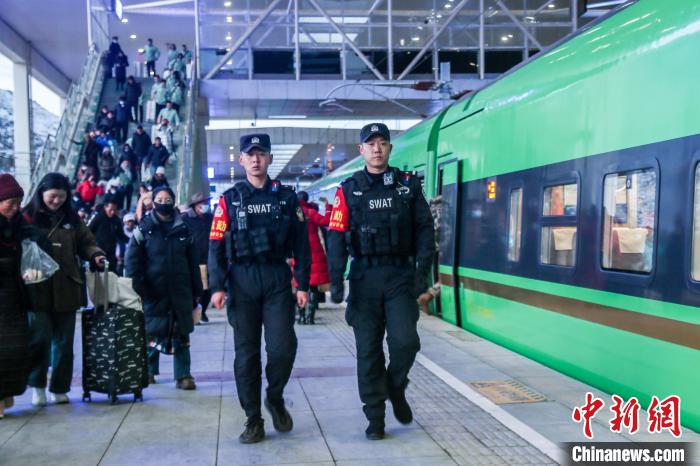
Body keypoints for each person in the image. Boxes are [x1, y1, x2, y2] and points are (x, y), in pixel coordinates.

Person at [327, 123, 435, 440]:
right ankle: (375, 416)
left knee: (406, 342)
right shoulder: (348, 190)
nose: (377, 148)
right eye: (370, 143)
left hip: (400, 276)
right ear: (361, 150)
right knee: (368, 351)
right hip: (364, 278)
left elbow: (425, 230)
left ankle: (395, 386)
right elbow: (336, 236)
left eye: (382, 143)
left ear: (390, 148)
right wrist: (336, 279)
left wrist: (422, 273)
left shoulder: (408, 186)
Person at [208, 133, 311, 444]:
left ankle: (274, 396)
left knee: (283, 347)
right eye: (250, 154)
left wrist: (302, 284)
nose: (255, 159)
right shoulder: (229, 200)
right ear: (241, 160)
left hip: (277, 277)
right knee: (246, 355)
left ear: (269, 159)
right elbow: (215, 245)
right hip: (242, 281)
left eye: (261, 153)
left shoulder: (286, 199)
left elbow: (301, 245)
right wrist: (217, 285)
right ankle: (253, 419)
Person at [24, 173, 105, 406]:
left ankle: (60, 388)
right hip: (36, 288)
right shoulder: (27, 217)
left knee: (64, 343)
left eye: (61, 196)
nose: (57, 201)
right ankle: (37, 386)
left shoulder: (72, 219)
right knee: (39, 340)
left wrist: (96, 255)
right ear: (41, 193)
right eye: (52, 196)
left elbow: (86, 242)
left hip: (67, 287)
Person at [126, 186, 202, 390]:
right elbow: (132, 260)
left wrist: (197, 290)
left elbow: (193, 262)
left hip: (181, 289)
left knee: (182, 333)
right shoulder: (144, 228)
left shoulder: (184, 228)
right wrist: (137, 286)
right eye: (159, 199)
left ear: (173, 202)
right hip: (153, 290)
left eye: (168, 200)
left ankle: (183, 375)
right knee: (153, 331)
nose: (163, 203)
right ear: (153, 202)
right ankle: (148, 371)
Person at [0, 174, 44, 419]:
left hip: (16, 296)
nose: (15, 208)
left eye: (18, 202)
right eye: (11, 203)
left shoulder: (21, 224)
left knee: (15, 349)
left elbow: (38, 239)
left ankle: (7, 394)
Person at [294, 191, 332, 325]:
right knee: (314, 286)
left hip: (298, 251)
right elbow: (327, 221)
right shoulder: (311, 212)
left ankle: (301, 316)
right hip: (314, 251)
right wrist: (328, 207)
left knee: (299, 285)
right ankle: (310, 317)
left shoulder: (294, 212)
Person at [181, 193, 213, 324]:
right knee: (197, 288)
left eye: (206, 203)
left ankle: (202, 311)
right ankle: (195, 313)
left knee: (209, 288)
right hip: (194, 260)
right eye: (203, 203)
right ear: (195, 205)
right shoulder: (185, 219)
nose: (205, 205)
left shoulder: (210, 218)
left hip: (210, 258)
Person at [88, 201, 128, 272]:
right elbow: (89, 231)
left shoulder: (116, 220)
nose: (112, 212)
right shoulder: (98, 217)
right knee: (97, 271)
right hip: (99, 250)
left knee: (110, 271)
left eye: (114, 210)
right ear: (105, 207)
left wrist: (131, 240)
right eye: (110, 210)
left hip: (111, 250)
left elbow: (121, 234)